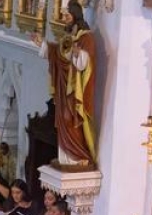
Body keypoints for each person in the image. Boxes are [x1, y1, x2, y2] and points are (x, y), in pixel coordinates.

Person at [33, 0, 96, 167]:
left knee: (70, 120)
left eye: (67, 15)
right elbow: (58, 52)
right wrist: (43, 44)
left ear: (75, 16)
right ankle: (66, 157)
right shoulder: (68, 37)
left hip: (74, 90)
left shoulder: (86, 38)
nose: (65, 18)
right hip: (63, 86)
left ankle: (78, 156)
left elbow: (86, 63)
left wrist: (78, 54)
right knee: (62, 121)